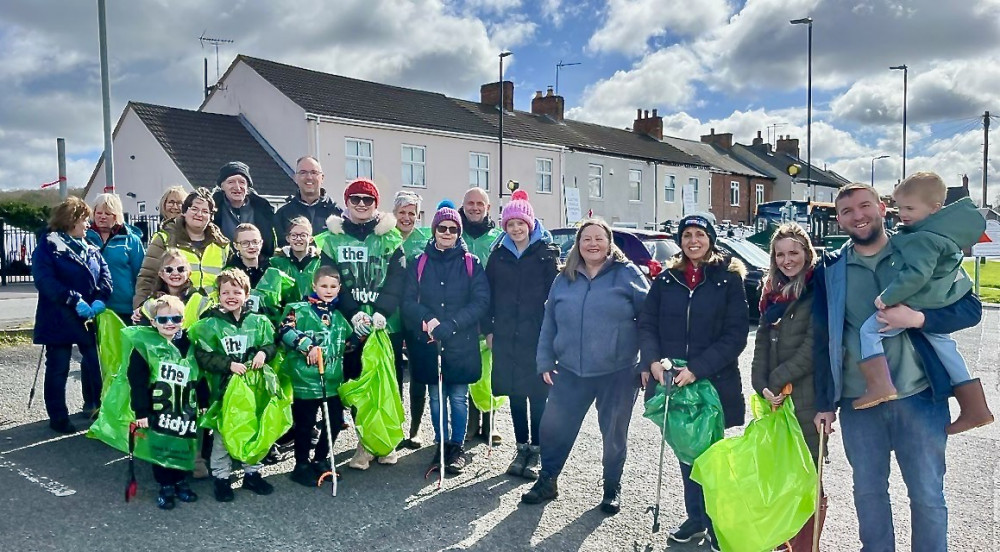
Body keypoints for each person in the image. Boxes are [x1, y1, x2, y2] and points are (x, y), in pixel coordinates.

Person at [813, 183, 983, 552]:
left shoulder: (917, 247)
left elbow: (971, 309)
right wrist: (825, 402)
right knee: (869, 493)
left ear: (881, 207)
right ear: (838, 219)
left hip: (919, 397)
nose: (858, 216)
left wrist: (919, 318)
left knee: (927, 494)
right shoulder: (831, 269)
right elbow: (822, 338)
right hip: (860, 402)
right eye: (847, 211)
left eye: (864, 206)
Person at [522, 219, 649, 515]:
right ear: (578, 245)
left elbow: (649, 320)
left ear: (609, 243)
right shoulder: (564, 278)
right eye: (586, 239)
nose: (592, 244)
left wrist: (648, 360)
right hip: (569, 370)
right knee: (554, 428)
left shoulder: (627, 274)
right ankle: (548, 480)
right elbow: (549, 322)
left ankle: (611, 487)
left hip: (617, 372)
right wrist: (544, 360)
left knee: (614, 433)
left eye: (598, 239)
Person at [637, 214, 747, 543]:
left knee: (712, 459)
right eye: (687, 235)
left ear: (710, 239)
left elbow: (736, 334)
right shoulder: (667, 279)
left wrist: (697, 368)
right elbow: (647, 323)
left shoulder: (728, 279)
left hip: (711, 381)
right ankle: (696, 518)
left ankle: (718, 525)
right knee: (687, 454)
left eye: (700, 234)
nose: (693, 240)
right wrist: (653, 362)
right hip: (671, 379)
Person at [856, 173, 992, 433]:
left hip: (916, 302)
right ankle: (975, 407)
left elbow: (916, 275)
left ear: (934, 208)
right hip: (934, 301)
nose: (902, 213)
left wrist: (887, 298)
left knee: (869, 331)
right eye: (899, 207)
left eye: (909, 208)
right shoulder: (940, 234)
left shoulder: (923, 238)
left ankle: (879, 385)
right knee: (944, 345)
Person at [319, 178, 406, 469]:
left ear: (375, 204)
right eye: (355, 199)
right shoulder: (332, 238)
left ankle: (387, 442)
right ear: (347, 202)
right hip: (350, 324)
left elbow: (398, 278)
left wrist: (383, 310)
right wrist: (352, 311)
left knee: (387, 383)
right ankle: (365, 444)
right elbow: (328, 279)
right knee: (356, 381)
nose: (361, 204)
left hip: (385, 325)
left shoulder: (390, 236)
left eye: (367, 200)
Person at [402, 201, 490, 475]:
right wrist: (428, 319)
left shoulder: (470, 263)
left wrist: (452, 324)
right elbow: (407, 301)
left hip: (460, 341)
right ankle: (440, 443)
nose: (447, 233)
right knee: (437, 398)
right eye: (442, 228)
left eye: (453, 229)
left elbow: (481, 301)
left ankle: (457, 446)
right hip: (430, 342)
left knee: (459, 398)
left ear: (458, 232)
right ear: (434, 230)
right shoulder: (419, 262)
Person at [750, 222, 825, 549]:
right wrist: (761, 385)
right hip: (775, 403)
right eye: (780, 254)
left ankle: (805, 546)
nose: (787, 259)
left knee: (808, 480)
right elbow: (761, 344)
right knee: (778, 479)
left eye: (794, 252)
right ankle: (781, 543)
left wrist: (777, 381)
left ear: (807, 254)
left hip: (807, 401)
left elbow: (814, 348)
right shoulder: (771, 291)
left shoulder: (816, 290)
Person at [482, 190, 559, 479]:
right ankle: (521, 447)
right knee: (514, 393)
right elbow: (486, 294)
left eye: (520, 223)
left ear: (530, 223)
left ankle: (537, 450)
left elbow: (556, 298)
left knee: (538, 394)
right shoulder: (498, 255)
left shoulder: (545, 254)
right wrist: (488, 329)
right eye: (510, 224)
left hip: (536, 335)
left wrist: (553, 337)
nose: (515, 229)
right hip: (505, 333)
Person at [190, 268, 279, 502]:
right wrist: (228, 364)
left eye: (236, 291)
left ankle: (252, 472)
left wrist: (263, 352)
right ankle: (221, 477)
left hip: (253, 391)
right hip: (224, 391)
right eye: (225, 292)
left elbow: (271, 344)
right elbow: (203, 355)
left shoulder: (258, 322)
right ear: (218, 295)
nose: (231, 296)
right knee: (223, 434)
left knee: (253, 429)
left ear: (246, 294)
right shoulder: (209, 324)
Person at [31, 197, 113, 433]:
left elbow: (105, 276)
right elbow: (44, 281)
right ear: (71, 221)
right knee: (58, 367)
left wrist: (100, 298)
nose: (88, 224)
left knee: (96, 365)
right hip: (58, 316)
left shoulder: (90, 246)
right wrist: (73, 298)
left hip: (87, 317)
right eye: (84, 220)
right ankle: (58, 417)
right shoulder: (48, 247)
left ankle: (101, 410)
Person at [127, 295, 207, 509]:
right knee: (161, 448)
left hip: (184, 409)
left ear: (183, 319)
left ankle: (181, 481)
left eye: (176, 318)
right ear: (153, 322)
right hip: (158, 409)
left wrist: (204, 400)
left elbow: (198, 376)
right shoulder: (145, 347)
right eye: (163, 320)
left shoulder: (189, 344)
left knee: (183, 445)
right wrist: (141, 412)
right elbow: (137, 381)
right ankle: (165, 486)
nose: (169, 323)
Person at [278, 266, 352, 486]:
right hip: (305, 380)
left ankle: (320, 459)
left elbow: (347, 343)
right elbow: (284, 330)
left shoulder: (339, 315)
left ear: (339, 289)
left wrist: (363, 333)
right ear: (314, 286)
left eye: (333, 286)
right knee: (305, 424)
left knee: (335, 422)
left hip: (332, 379)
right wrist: (306, 345)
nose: (328, 290)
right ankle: (301, 464)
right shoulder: (298, 309)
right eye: (323, 286)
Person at [133, 188, 231, 310]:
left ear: (211, 216)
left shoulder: (222, 245)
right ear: (184, 211)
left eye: (205, 211)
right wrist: (141, 307)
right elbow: (147, 278)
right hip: (173, 315)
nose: (199, 214)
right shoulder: (164, 239)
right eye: (194, 209)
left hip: (212, 314)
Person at [458, 187, 502, 445]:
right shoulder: (454, 232)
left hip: (491, 310)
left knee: (492, 368)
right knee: (469, 366)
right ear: (463, 206)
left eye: (480, 204)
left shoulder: (498, 237)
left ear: (487, 208)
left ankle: (491, 421)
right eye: (470, 203)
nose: (475, 208)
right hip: (463, 312)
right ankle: (471, 423)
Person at [391, 191, 432, 449]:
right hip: (392, 316)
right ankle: (394, 427)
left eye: (411, 213)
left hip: (418, 315)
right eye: (402, 212)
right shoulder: (384, 237)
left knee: (418, 374)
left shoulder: (425, 239)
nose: (406, 218)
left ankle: (414, 430)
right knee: (394, 375)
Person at [85, 193, 145, 323]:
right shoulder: (84, 238)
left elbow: (140, 275)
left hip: (124, 308)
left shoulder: (132, 241)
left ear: (116, 215)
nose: (102, 217)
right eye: (99, 212)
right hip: (91, 306)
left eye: (107, 213)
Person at [212, 161, 276, 257]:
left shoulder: (263, 210)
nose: (237, 187)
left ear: (248, 187)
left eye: (242, 182)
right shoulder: (213, 210)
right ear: (222, 186)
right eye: (231, 182)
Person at [275, 156, 343, 247]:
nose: (309, 177)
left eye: (314, 172)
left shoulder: (337, 212)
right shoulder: (283, 214)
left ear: (322, 177)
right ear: (295, 178)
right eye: (303, 172)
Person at [226, 223, 269, 288]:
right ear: (236, 246)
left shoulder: (271, 267)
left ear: (261, 243)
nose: (251, 246)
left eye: (255, 242)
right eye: (245, 243)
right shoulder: (230, 273)